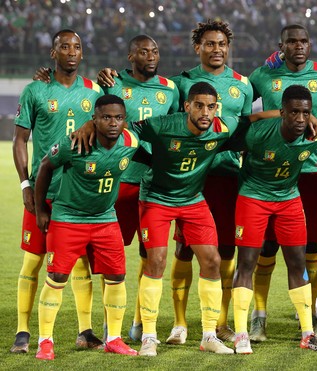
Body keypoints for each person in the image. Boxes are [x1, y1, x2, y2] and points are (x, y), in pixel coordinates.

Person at [73, 82, 280, 356]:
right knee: (156, 260)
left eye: (211, 106)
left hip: (192, 200)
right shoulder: (162, 125)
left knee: (213, 260)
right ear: (187, 107)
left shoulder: (221, 127)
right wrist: (89, 125)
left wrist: (298, 114)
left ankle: (208, 335)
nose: (205, 112)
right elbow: (123, 127)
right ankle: (148, 335)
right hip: (157, 198)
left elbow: (253, 118)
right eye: (199, 105)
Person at [247, 24, 317, 342]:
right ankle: (259, 317)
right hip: (268, 172)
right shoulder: (262, 76)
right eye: (291, 41)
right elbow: (243, 112)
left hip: (309, 173)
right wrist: (277, 116)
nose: (298, 45)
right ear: (280, 45)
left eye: (303, 41)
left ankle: (308, 315)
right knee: (266, 249)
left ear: (310, 44)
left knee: (311, 248)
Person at [11, 29, 103, 354]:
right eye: (64, 46)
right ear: (53, 53)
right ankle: (22, 333)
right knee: (33, 261)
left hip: (78, 192)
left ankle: (86, 331)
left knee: (80, 264)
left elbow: (115, 113)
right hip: (42, 189)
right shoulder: (36, 89)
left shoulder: (94, 92)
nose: (71, 51)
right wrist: (24, 184)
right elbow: (20, 139)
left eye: (77, 46)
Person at [167, 20, 253, 344]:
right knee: (184, 249)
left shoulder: (243, 85)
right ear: (197, 47)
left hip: (230, 176)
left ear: (228, 48)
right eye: (210, 44)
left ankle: (220, 322)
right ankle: (179, 323)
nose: (216, 49)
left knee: (227, 252)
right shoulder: (180, 83)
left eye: (222, 44)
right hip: (192, 177)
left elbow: (245, 132)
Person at [34, 95, 140, 360]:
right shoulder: (76, 143)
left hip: (105, 219)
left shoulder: (131, 142)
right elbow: (46, 165)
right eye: (105, 117)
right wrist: (41, 209)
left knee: (116, 276)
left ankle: (113, 338)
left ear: (124, 120)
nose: (113, 123)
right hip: (68, 219)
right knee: (57, 278)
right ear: (94, 119)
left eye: (118, 118)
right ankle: (45, 341)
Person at [228, 85, 317, 354]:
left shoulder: (316, 135)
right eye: (293, 112)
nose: (299, 119)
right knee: (247, 262)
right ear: (282, 112)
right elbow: (236, 127)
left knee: (298, 263)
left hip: (289, 200)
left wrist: (314, 120)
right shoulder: (257, 135)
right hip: (253, 198)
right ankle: (241, 333)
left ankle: (308, 333)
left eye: (305, 113)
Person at [99, 34, 180, 341]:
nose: (150, 55)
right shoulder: (113, 83)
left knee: (150, 255)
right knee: (113, 255)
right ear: (130, 57)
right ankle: (111, 322)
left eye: (155, 51)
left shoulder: (170, 89)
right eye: (143, 51)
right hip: (119, 182)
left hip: (154, 185)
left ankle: (136, 323)